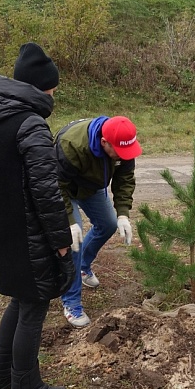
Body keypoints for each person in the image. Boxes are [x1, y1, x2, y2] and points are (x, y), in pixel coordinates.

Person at [0, 42, 75, 389]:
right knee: (33, 309)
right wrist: (61, 242)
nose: (54, 92)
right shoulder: (30, 125)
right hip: (27, 239)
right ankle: (27, 387)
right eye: (52, 87)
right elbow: (46, 193)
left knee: (20, 300)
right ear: (39, 87)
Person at [54, 115, 143, 328]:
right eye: (119, 153)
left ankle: (83, 267)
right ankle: (71, 302)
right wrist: (68, 221)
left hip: (92, 187)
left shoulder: (123, 142)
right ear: (104, 142)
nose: (123, 156)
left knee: (109, 224)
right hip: (64, 189)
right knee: (73, 241)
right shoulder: (71, 145)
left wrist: (122, 213)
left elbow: (125, 178)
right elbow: (55, 183)